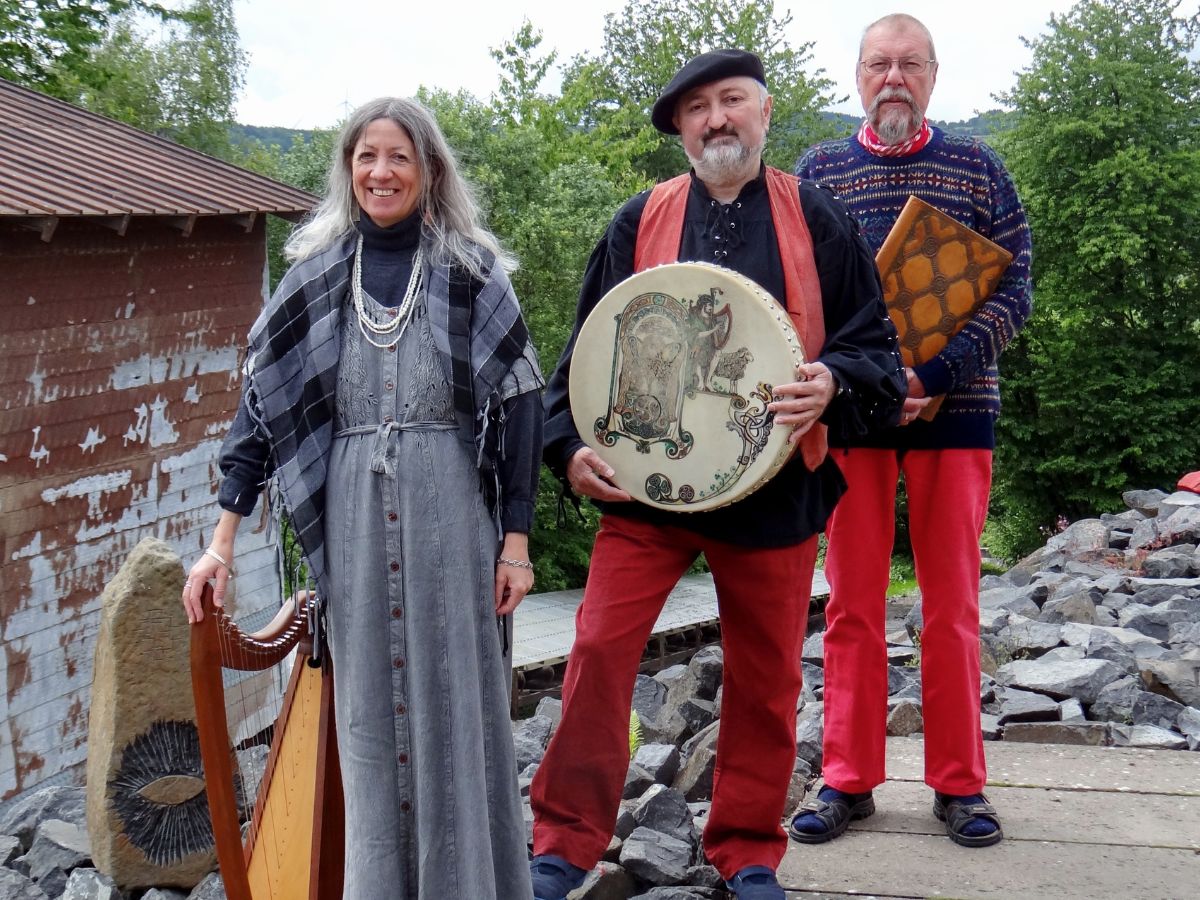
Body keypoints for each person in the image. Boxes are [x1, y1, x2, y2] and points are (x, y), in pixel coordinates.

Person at [529, 49, 906, 900]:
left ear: (765, 113)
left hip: (774, 489)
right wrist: (569, 451)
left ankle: (746, 851)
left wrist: (834, 380)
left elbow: (875, 350)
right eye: (697, 109)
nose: (716, 120)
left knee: (767, 677)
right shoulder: (637, 222)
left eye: (732, 101)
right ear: (682, 133)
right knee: (593, 649)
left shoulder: (819, 218)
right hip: (649, 491)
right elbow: (582, 364)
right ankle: (563, 846)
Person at [181, 97, 544, 899]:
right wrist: (220, 543)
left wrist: (515, 543)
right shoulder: (313, 278)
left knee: (459, 705)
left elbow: (521, 404)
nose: (381, 171)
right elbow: (259, 417)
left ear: (429, 170)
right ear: (349, 171)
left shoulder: (470, 270)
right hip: (348, 520)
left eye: (399, 157)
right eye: (365, 157)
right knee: (368, 721)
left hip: (452, 511)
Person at [791, 13, 1032, 849]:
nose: (893, 77)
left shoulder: (979, 166)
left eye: (909, 64)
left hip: (957, 414)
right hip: (852, 418)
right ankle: (847, 779)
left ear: (933, 74)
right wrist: (859, 381)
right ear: (857, 76)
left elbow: (1015, 289)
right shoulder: (815, 172)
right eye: (878, 64)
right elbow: (799, 295)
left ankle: (960, 784)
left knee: (953, 609)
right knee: (852, 605)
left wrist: (936, 377)